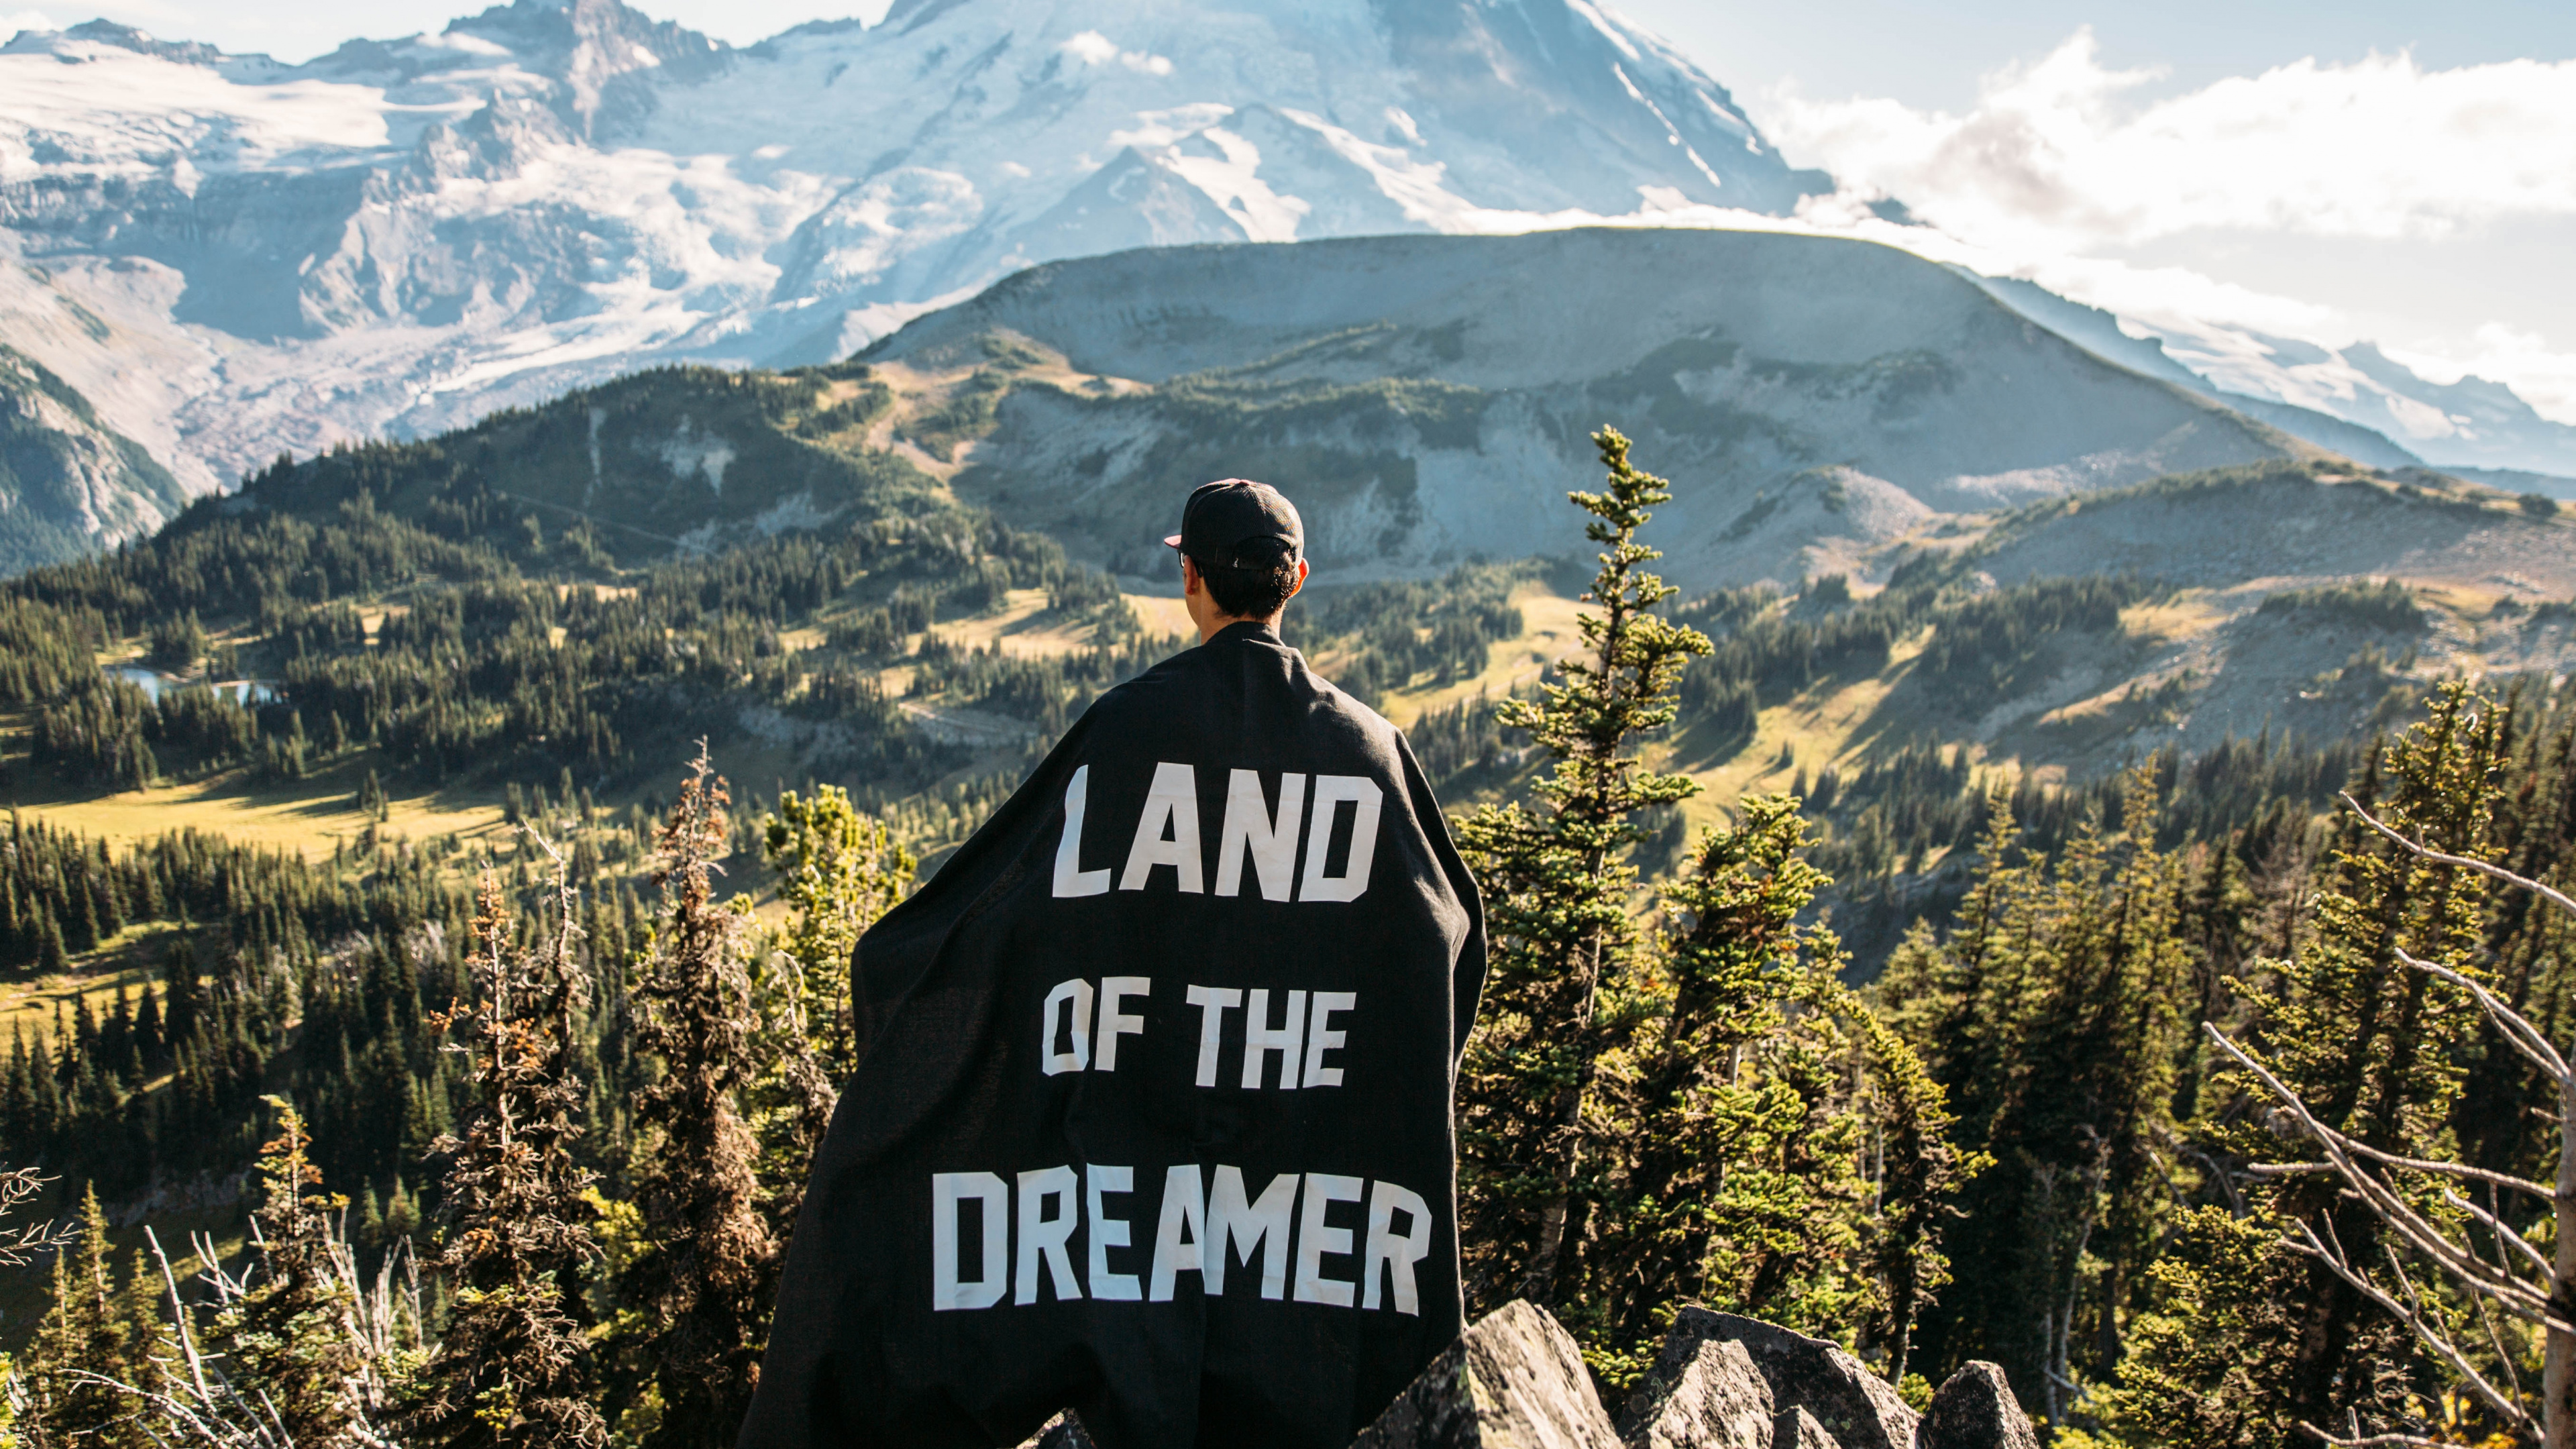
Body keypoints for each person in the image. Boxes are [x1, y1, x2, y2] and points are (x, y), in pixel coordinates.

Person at [739, 480, 1487, 1449]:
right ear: (1296, 579)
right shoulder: (1370, 750)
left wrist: (900, 982)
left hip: (1139, 1178)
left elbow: (998, 905)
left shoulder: (1129, 730)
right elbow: (1443, 941)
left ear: (1191, 579)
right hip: (1308, 1201)